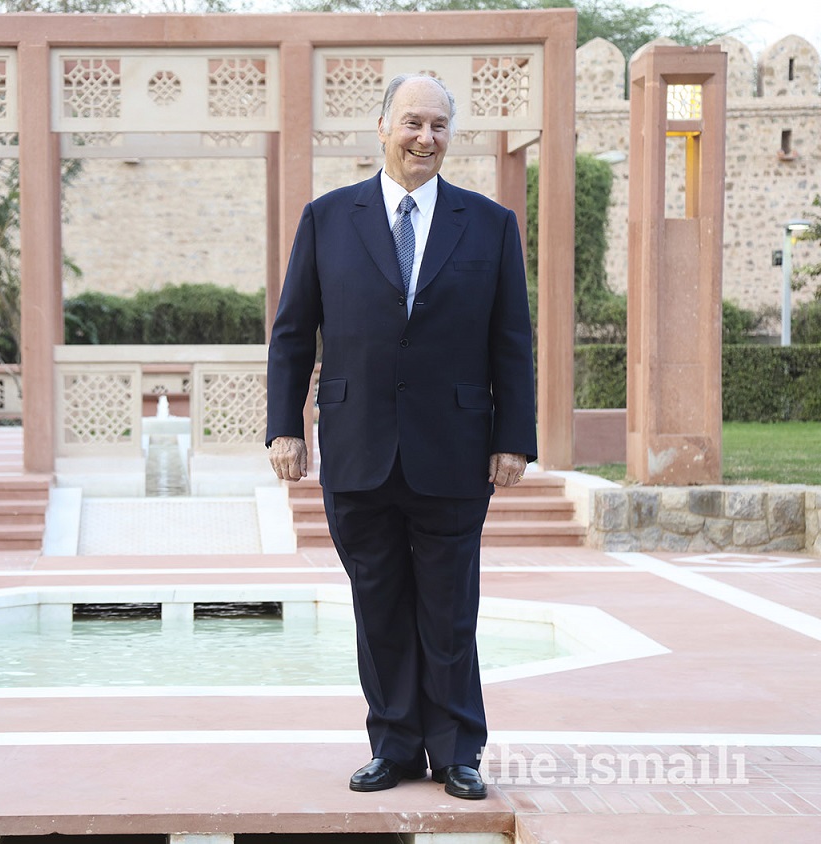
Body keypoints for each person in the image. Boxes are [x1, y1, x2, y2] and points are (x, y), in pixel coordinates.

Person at [265, 74, 537, 800]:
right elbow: (293, 334)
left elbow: (512, 340)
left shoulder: (490, 224)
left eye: (440, 125)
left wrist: (513, 437)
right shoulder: (327, 218)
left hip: (453, 448)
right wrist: (284, 427)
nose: (426, 137)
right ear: (381, 125)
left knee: (450, 608)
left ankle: (457, 752)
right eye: (413, 122)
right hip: (356, 448)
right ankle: (394, 744)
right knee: (378, 603)